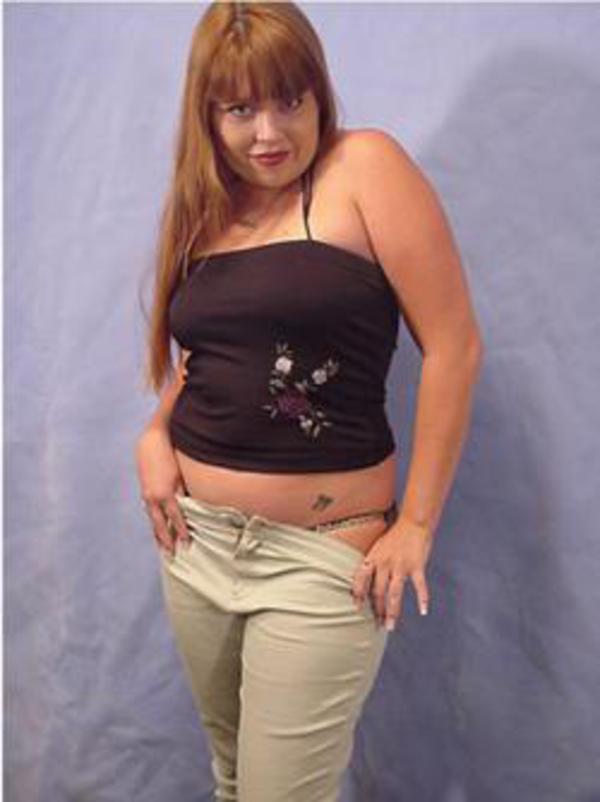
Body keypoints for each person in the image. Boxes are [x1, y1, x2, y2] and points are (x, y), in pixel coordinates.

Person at [135, 2, 483, 800]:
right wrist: (155, 433)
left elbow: (455, 347)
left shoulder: (365, 169)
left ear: (319, 93)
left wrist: (417, 524)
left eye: (289, 101)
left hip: (322, 557)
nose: (269, 133)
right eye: (240, 109)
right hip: (197, 545)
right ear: (208, 116)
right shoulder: (210, 208)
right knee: (232, 779)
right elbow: (211, 355)